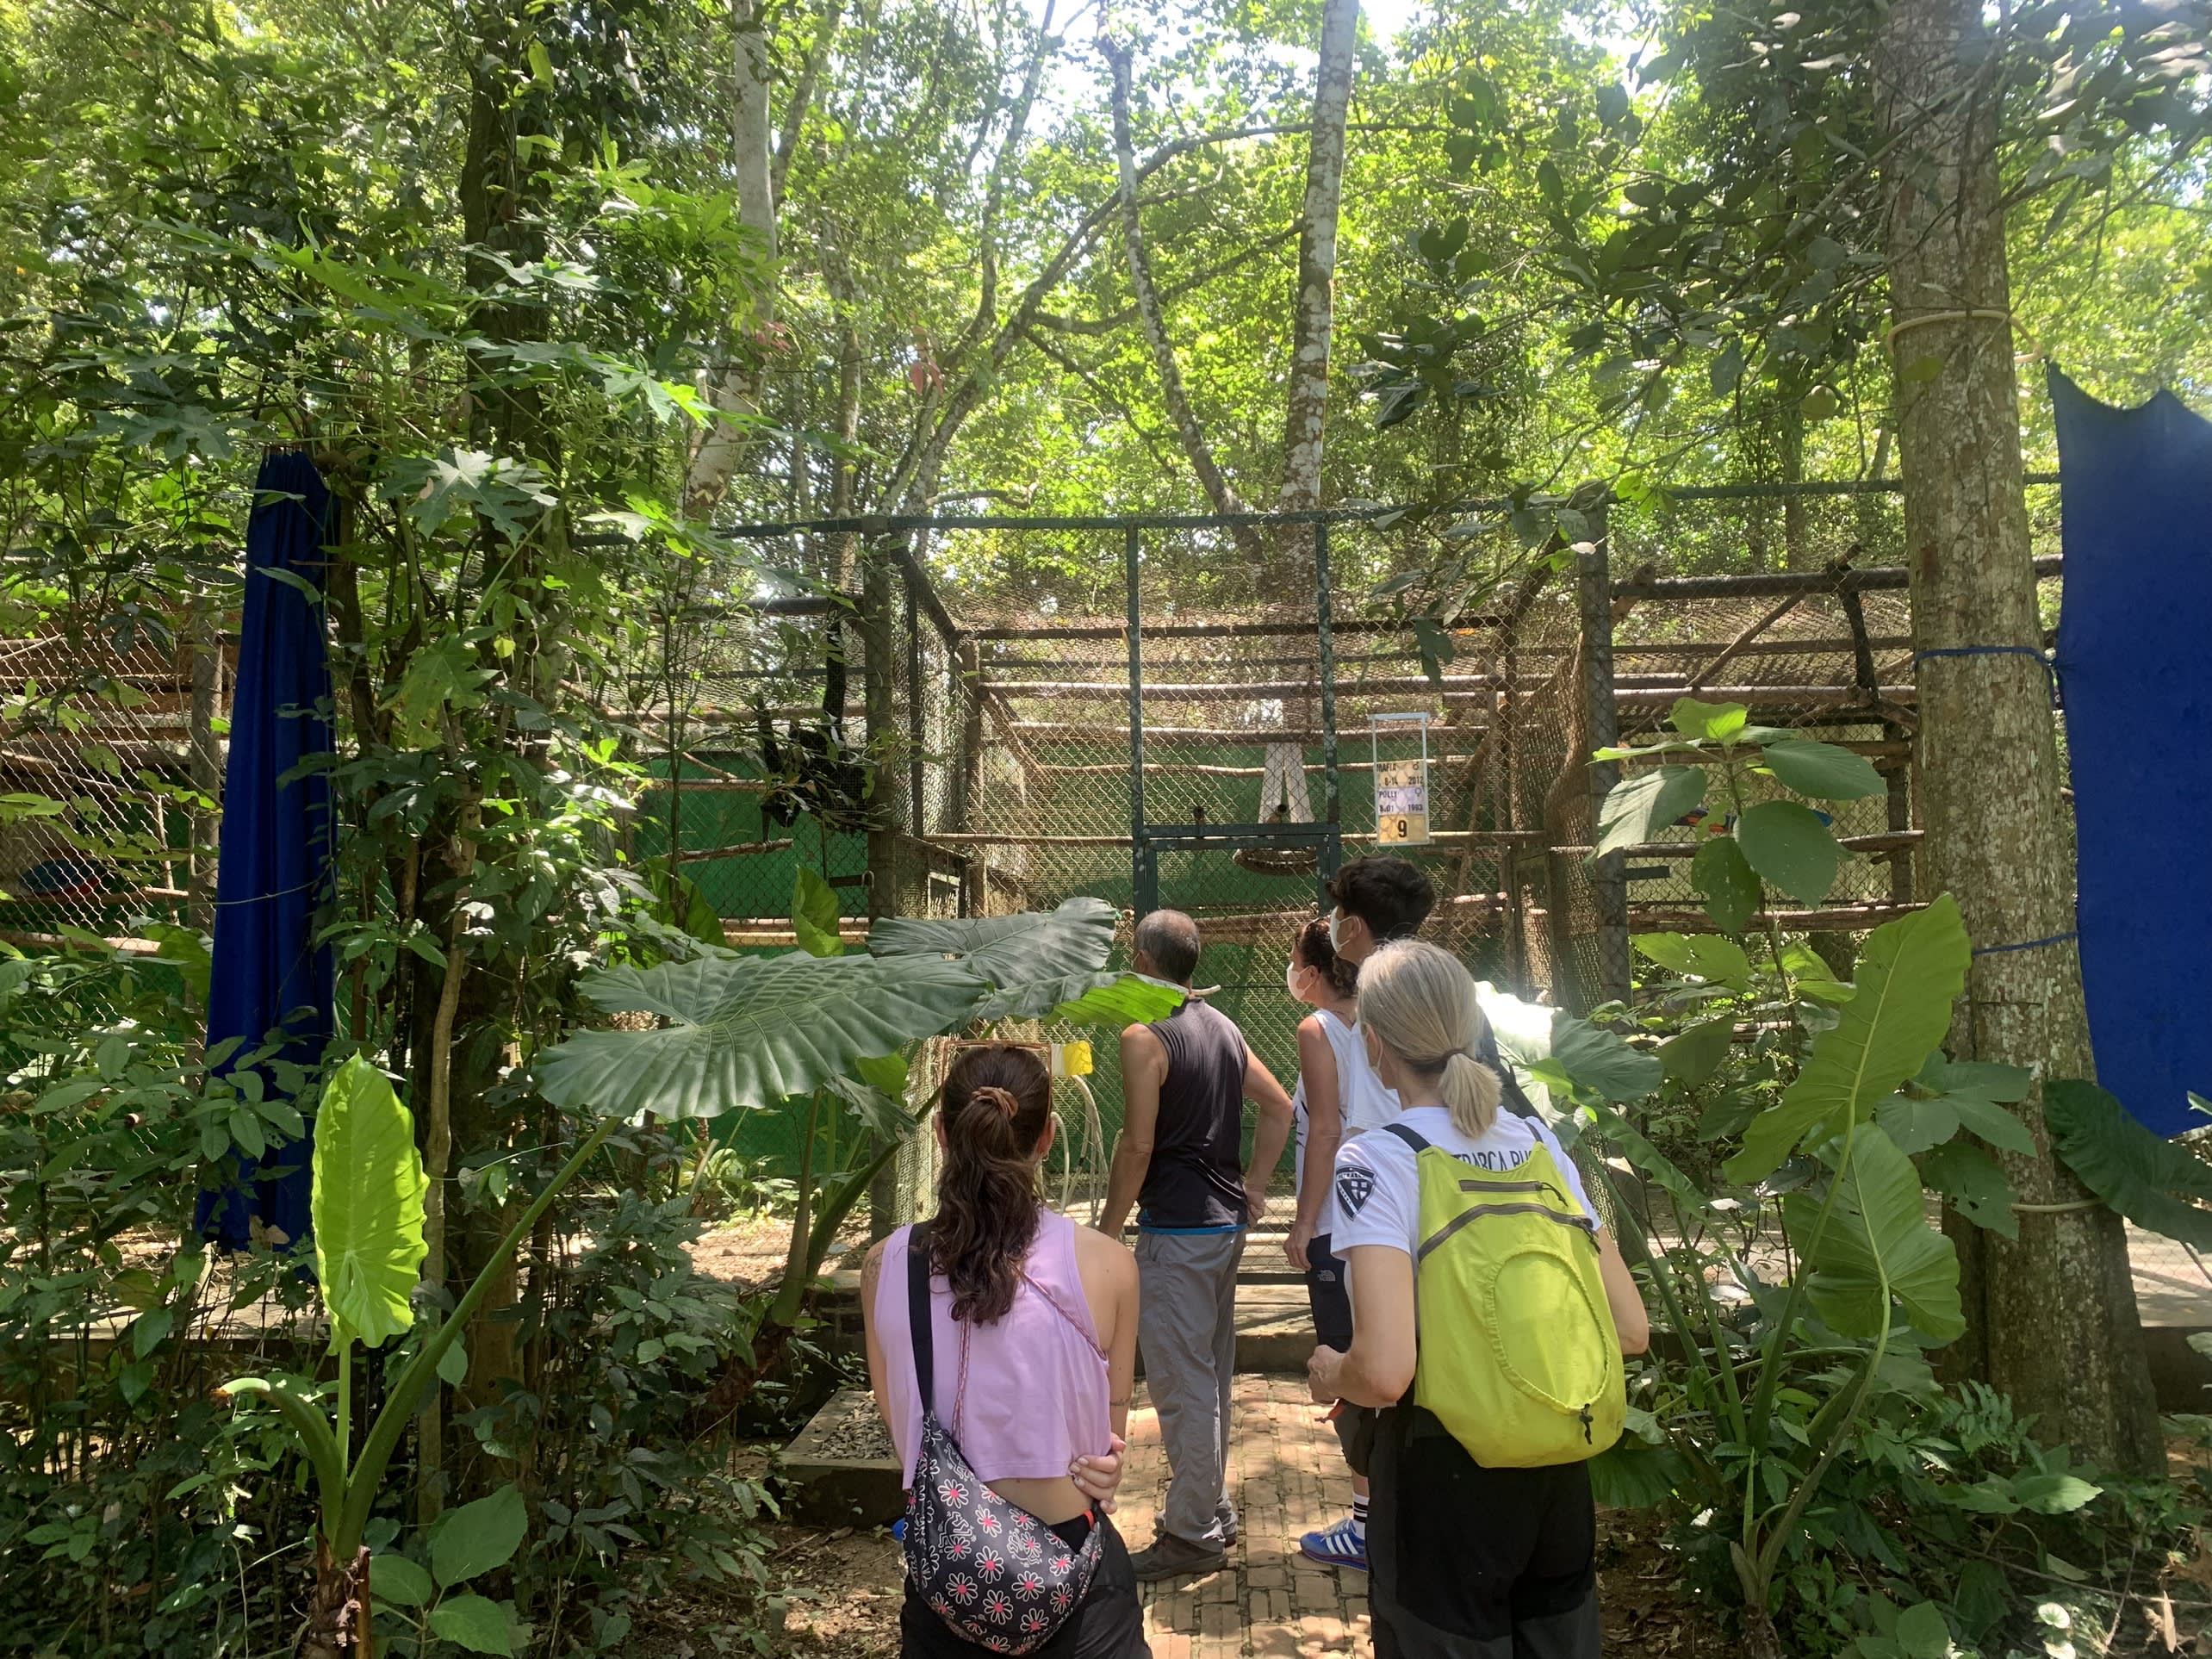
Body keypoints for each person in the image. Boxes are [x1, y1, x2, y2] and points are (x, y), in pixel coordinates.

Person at [1308, 941, 1650, 1659]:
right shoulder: (1540, 1144)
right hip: (1558, 1470)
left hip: (1442, 1483)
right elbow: (1629, 1330)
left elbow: (1385, 1373)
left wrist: (1330, 1371)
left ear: (1374, 1042)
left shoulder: (1379, 1158)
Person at [863, 1043, 1148, 1658]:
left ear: (942, 1133)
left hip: (951, 1580)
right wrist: (1105, 1461)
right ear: (1047, 1137)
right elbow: (1107, 1439)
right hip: (1075, 1569)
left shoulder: (886, 1266)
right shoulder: (1109, 1265)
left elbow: (904, 1427)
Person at [1097, 908, 1295, 1583]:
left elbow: (1137, 1145)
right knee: (1207, 1378)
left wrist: (1106, 1234)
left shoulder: (1143, 1037)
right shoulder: (1224, 1027)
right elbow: (1280, 1107)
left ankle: (1192, 1535)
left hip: (1178, 1235)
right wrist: (1255, 1186)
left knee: (1185, 1389)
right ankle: (1211, 1509)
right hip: (1224, 1229)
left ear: (1143, 961)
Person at [1278, 916, 1376, 1570]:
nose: (1292, 973)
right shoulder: (1384, 1019)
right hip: (1393, 1213)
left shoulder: (1318, 1029)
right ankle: (1397, 1512)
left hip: (1343, 1221)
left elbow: (1324, 1133)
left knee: (1347, 1367)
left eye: (1295, 961)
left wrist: (1304, 1221)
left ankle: (1367, 1527)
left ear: (1314, 971)